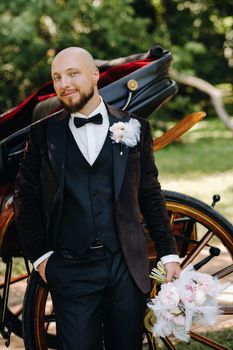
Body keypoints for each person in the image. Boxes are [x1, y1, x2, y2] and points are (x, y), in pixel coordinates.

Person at [14, 47, 181, 350]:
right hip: (71, 267)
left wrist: (168, 253)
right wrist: (41, 259)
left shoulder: (134, 127)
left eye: (72, 73)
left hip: (127, 268)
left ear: (94, 75)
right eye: (57, 77)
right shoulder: (43, 134)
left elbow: (149, 193)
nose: (64, 83)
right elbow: (25, 198)